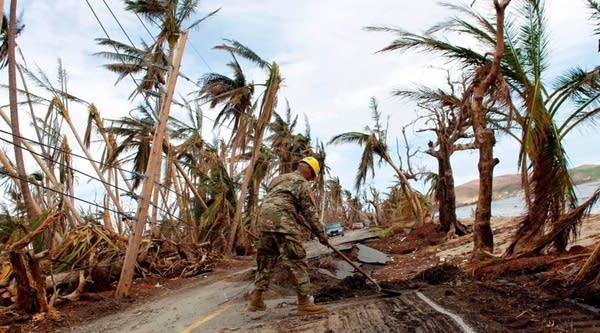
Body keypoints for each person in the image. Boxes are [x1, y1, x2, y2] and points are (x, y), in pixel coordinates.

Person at [247, 156, 329, 314]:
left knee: (266, 261)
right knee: (296, 260)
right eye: (312, 177)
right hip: (283, 222)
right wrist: (322, 234)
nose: (311, 180)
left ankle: (256, 299)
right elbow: (310, 213)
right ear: (310, 171)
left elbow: (278, 199)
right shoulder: (301, 183)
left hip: (264, 221)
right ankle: (304, 303)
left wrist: (294, 212)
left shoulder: (278, 179)